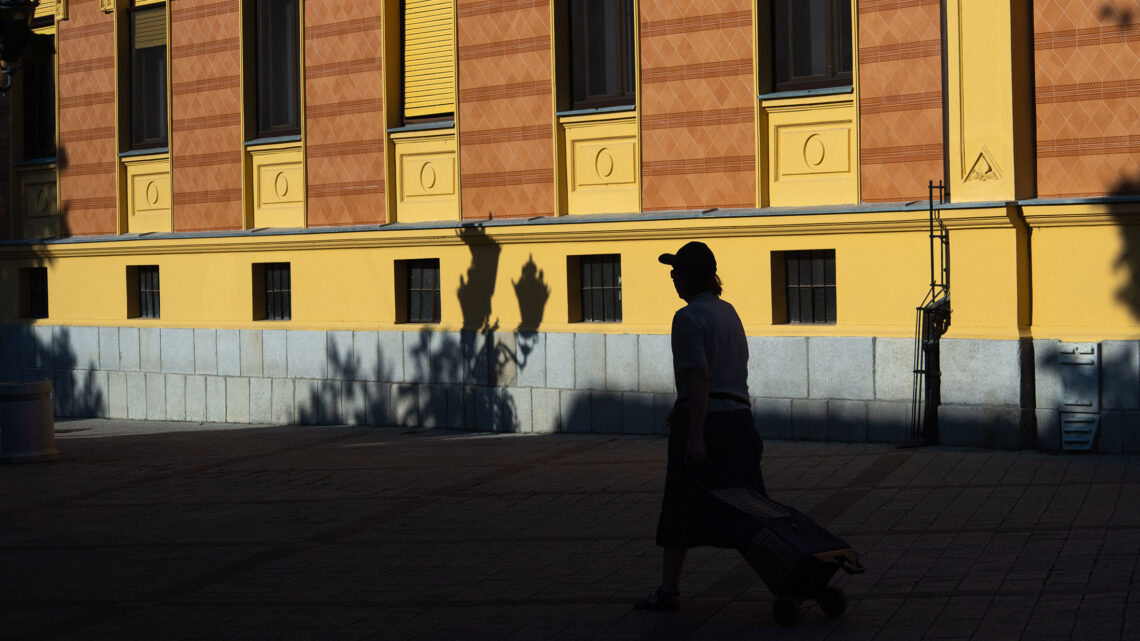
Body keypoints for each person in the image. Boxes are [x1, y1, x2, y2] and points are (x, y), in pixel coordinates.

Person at [636, 241, 767, 612]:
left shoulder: (687, 317)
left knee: (678, 506)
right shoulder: (729, 312)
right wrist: (683, 410)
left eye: (677, 272)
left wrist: (694, 434)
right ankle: (787, 577)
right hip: (740, 420)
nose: (673, 278)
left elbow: (700, 377)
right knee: (753, 509)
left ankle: (669, 591)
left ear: (690, 278)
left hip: (709, 425)